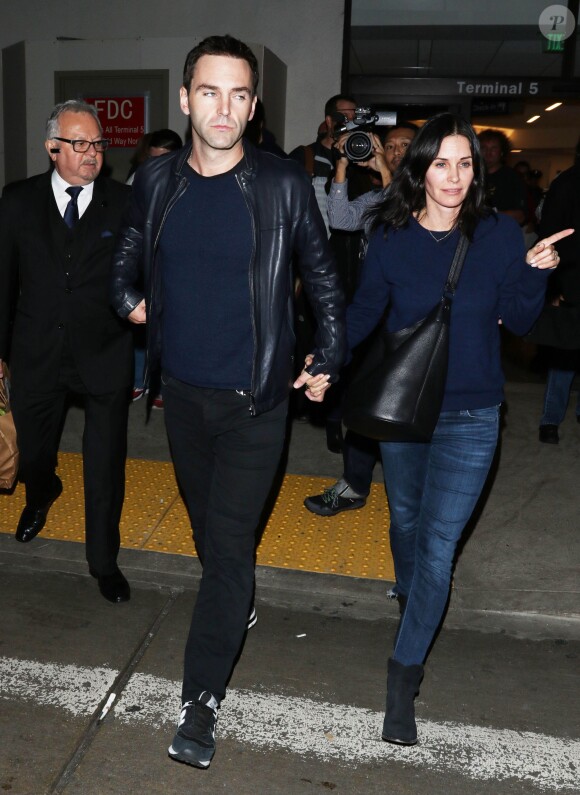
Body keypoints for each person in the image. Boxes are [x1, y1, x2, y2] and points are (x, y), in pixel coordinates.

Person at [110, 34, 346, 770]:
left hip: (256, 401)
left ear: (253, 105)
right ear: (185, 100)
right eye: (209, 92)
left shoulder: (281, 184)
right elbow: (126, 251)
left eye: (239, 94)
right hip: (181, 396)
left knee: (227, 551)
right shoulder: (156, 182)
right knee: (214, 537)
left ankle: (200, 699)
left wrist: (330, 352)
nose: (224, 108)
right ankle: (234, 592)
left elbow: (323, 275)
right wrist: (128, 298)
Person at [344, 111, 570, 746]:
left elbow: (520, 323)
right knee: (406, 524)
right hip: (404, 412)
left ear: (478, 171)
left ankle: (402, 677)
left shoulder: (498, 235)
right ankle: (416, 604)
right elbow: (364, 311)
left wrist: (535, 270)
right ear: (419, 167)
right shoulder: (388, 234)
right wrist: (322, 361)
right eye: (441, 163)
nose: (453, 176)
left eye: (465, 163)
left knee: (438, 546)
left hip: (472, 416)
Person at [0, 100, 132, 603]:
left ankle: (104, 562)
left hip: (105, 354)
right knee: (33, 454)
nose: (92, 154)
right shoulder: (16, 201)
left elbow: (140, 269)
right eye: (80, 144)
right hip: (35, 352)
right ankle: (41, 492)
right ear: (53, 148)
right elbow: (3, 282)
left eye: (97, 143)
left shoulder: (124, 202)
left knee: (104, 466)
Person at [305, 124, 419, 517]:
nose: (396, 151)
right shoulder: (374, 193)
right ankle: (354, 484)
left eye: (405, 145)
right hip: (375, 313)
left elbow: (402, 222)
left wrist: (387, 173)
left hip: (418, 323)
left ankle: (415, 493)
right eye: (389, 146)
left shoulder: (435, 194)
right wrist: (341, 164)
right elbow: (341, 219)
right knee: (363, 401)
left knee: (412, 407)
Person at [129, 128, 184, 409]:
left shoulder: (188, 181)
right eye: (153, 159)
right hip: (144, 263)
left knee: (171, 327)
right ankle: (140, 380)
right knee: (142, 321)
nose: (157, 165)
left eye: (164, 159)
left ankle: (163, 385)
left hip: (175, 265)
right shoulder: (137, 180)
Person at [536, 144, 580, 443]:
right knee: (564, 355)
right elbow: (549, 235)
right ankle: (550, 420)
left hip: (568, 280)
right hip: (570, 282)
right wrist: (552, 285)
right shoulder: (567, 184)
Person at [478, 128, 526, 225]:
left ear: (501, 152)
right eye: (484, 148)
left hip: (502, 234)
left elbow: (520, 216)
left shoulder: (512, 178)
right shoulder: (470, 176)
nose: (488, 153)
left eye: (493, 148)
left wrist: (489, 215)